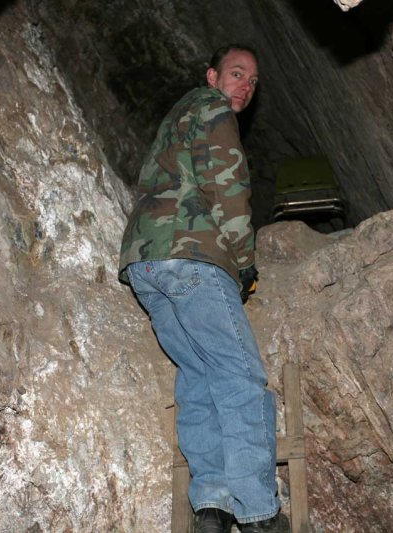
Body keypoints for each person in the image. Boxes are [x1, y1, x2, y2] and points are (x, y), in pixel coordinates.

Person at [118, 45, 288, 533]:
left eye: (252, 82)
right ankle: (259, 512)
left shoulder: (177, 116)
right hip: (192, 256)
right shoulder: (213, 109)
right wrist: (244, 262)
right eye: (237, 74)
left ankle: (212, 505)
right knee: (239, 376)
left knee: (198, 377)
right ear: (213, 76)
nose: (245, 87)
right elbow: (227, 186)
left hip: (146, 264)